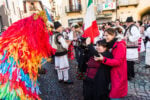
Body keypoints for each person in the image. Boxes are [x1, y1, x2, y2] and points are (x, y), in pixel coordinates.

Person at [94, 28, 128, 100]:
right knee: (112, 92)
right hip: (113, 72)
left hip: (118, 73)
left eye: (107, 35)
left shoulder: (119, 45)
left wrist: (103, 59)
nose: (105, 37)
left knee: (115, 95)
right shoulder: (112, 44)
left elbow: (117, 62)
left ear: (114, 35)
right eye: (104, 35)